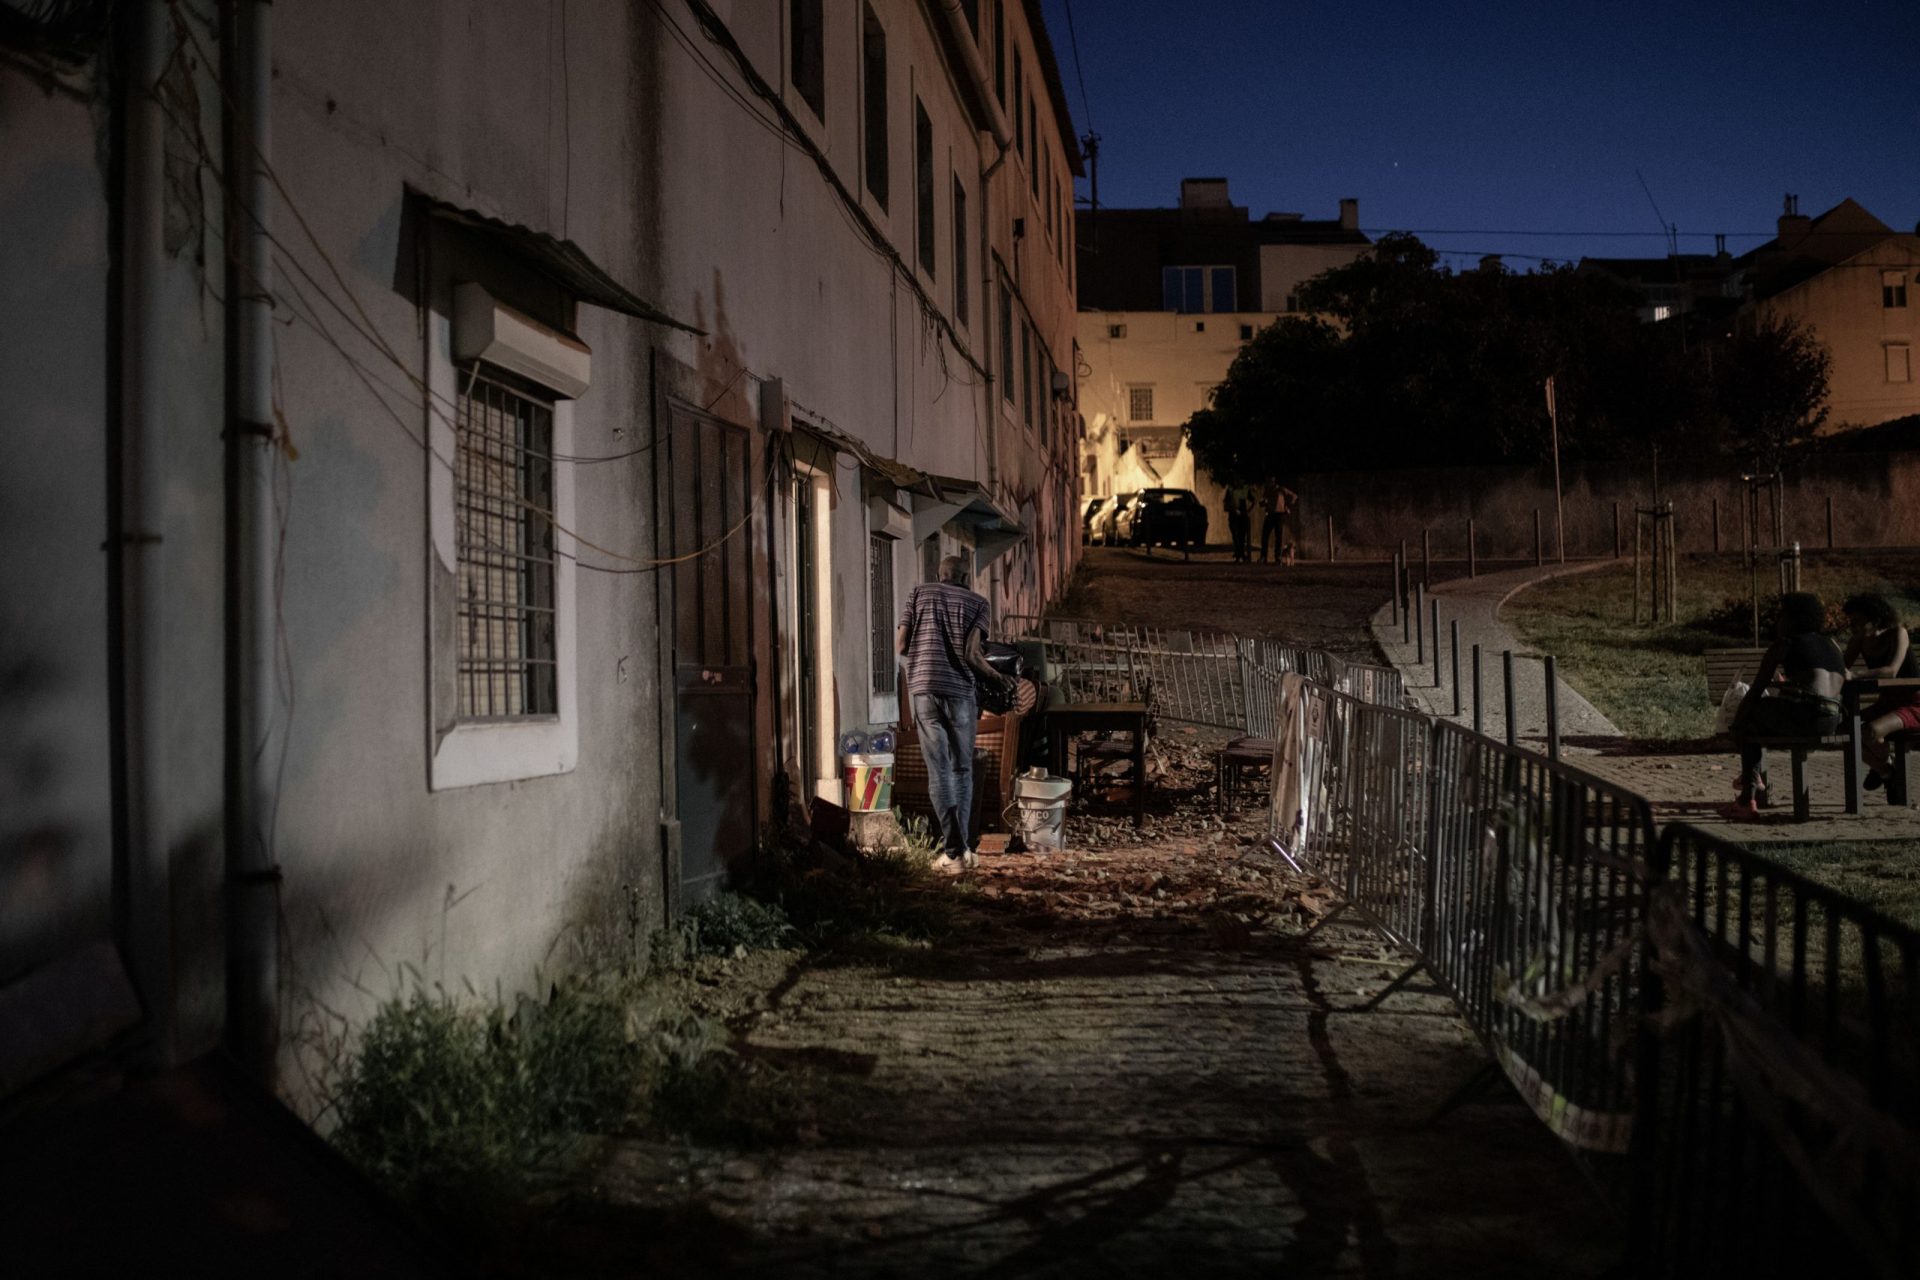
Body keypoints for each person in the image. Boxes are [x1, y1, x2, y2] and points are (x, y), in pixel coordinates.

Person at [896, 556, 1015, 866]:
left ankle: (955, 852)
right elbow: (972, 655)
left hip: (924, 689)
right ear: (965, 578)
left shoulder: (918, 593)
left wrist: (925, 650)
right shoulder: (978, 603)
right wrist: (998, 677)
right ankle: (961, 850)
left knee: (938, 772)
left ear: (939, 575)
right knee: (962, 770)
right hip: (960, 692)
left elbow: (901, 645)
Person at [1727, 592, 1846, 817]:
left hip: (1805, 717)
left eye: (1782, 615)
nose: (1777, 621)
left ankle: (1747, 793)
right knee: (1755, 720)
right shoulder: (1832, 644)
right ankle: (1750, 778)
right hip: (1832, 720)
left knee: (1749, 716)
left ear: (1794, 619)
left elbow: (1756, 690)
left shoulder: (1785, 644)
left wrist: (1735, 726)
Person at [1841, 592, 1920, 795]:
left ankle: (1884, 769)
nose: (1852, 626)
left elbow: (1891, 670)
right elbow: (1842, 668)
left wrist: (1855, 675)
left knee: (1870, 731)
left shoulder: (1898, 633)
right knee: (1844, 730)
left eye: (1857, 621)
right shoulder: (1859, 640)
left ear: (1875, 619)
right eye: (1851, 621)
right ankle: (1886, 771)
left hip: (1913, 702)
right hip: (1887, 702)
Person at [1259, 480, 1298, 565]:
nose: (1268, 483)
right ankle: (1263, 556)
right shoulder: (1267, 491)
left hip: (1279, 514)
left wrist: (1287, 506)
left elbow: (1294, 496)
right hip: (1270, 514)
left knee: (1279, 536)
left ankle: (1278, 557)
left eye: (1270, 481)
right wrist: (1264, 502)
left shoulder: (1281, 490)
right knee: (1265, 535)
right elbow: (1261, 502)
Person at [1224, 482, 1256, 562]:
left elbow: (1253, 500)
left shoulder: (1243, 489)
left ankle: (1240, 554)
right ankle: (1239, 554)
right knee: (1236, 536)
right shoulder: (1231, 490)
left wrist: (1247, 511)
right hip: (1234, 515)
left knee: (1240, 536)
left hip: (1241, 515)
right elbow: (1226, 502)